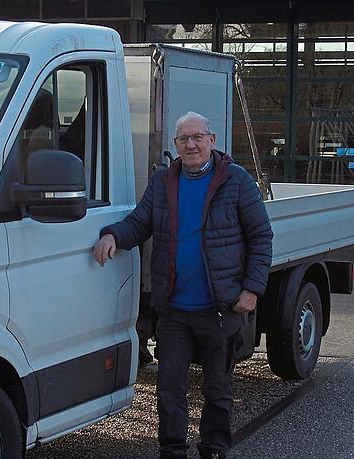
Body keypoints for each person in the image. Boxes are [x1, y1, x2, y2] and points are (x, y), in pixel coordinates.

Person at [93, 111, 273, 459]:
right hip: (174, 310)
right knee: (169, 388)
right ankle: (172, 450)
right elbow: (139, 222)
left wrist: (252, 289)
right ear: (175, 146)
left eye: (197, 138)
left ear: (212, 141)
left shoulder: (235, 181)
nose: (190, 145)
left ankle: (215, 449)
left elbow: (261, 237)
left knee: (217, 388)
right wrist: (113, 235)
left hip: (219, 308)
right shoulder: (164, 182)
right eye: (183, 140)